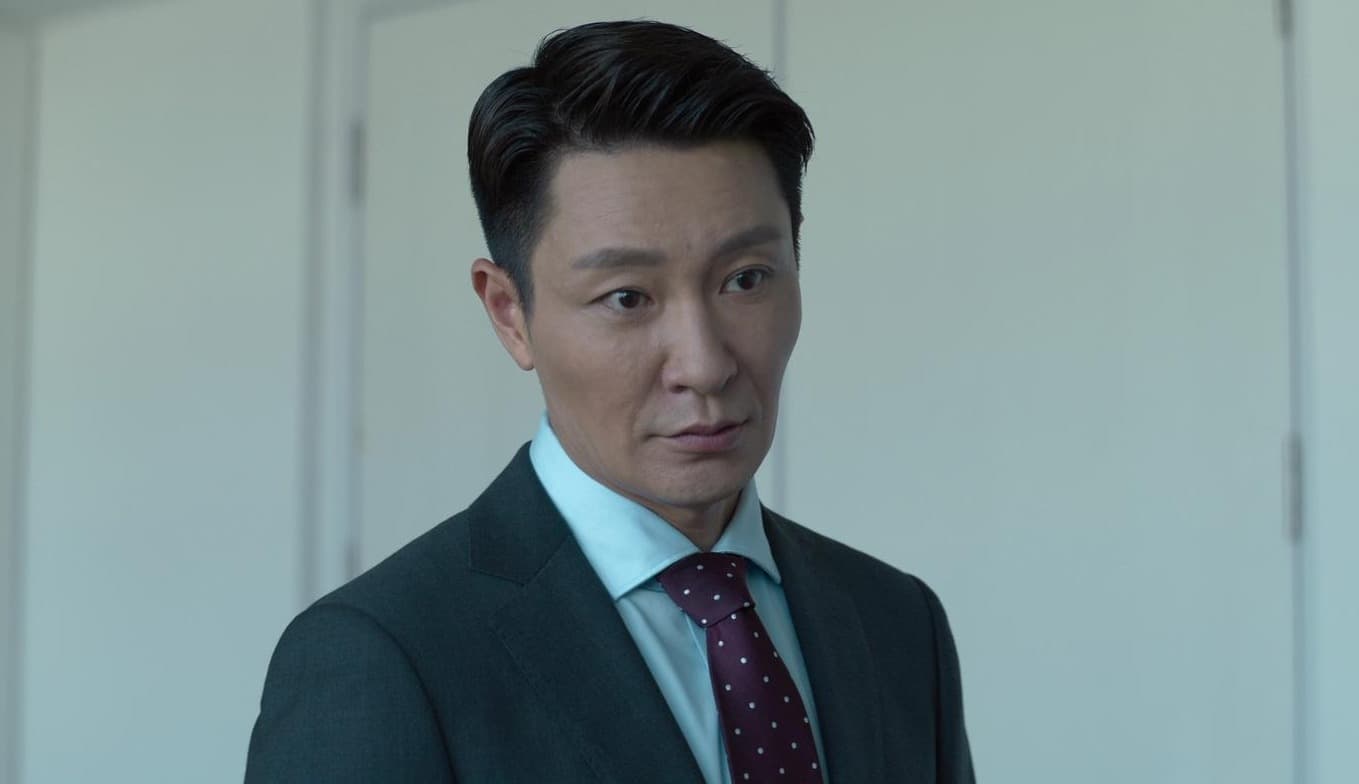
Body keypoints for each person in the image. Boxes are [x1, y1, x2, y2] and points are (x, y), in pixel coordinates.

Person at [245, 20, 973, 784]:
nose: (704, 365)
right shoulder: (379, 658)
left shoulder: (896, 622)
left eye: (746, 279)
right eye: (627, 297)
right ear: (509, 314)